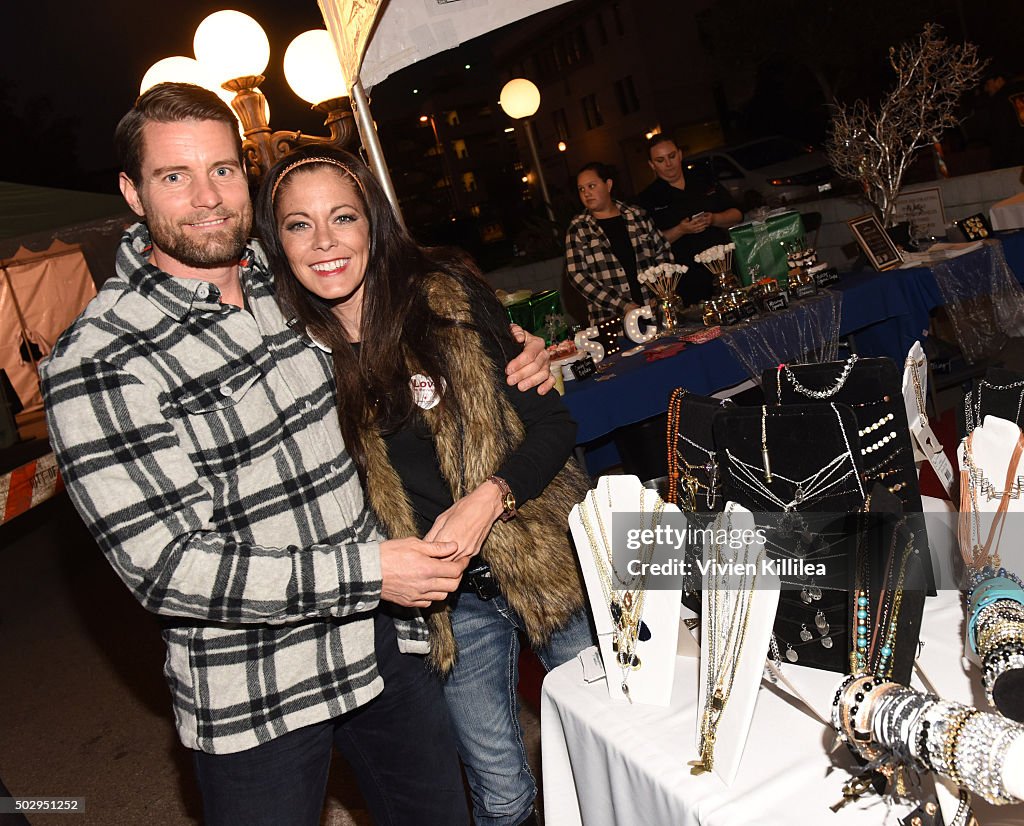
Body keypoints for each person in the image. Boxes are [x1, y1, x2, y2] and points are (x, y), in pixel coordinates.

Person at [38, 82, 554, 826]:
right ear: (131, 191)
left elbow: (400, 332)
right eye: (173, 176)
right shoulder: (101, 359)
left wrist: (517, 357)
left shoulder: (288, 289)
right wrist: (371, 570)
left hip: (383, 646)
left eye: (221, 169)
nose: (208, 197)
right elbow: (168, 568)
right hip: (256, 691)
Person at [254, 144, 595, 826]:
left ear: (372, 224)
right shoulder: (294, 359)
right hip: (442, 602)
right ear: (276, 243)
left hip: (544, 558)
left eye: (343, 217)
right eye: (298, 224)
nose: (324, 241)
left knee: (607, 745)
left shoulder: (444, 299)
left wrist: (489, 496)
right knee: (499, 792)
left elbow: (553, 423)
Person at [635, 135, 742, 304]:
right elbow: (648, 245)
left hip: (725, 269)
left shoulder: (703, 179)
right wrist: (681, 230)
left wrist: (714, 219)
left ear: (680, 154)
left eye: (672, 156)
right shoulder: (647, 199)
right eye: (661, 160)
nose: (669, 164)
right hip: (686, 281)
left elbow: (737, 214)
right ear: (652, 165)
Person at [565, 161, 674, 324]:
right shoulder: (579, 228)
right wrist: (623, 305)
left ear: (608, 185)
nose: (586, 193)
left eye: (591, 186)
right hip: (612, 321)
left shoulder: (637, 215)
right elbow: (578, 276)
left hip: (655, 315)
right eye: (581, 189)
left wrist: (660, 293)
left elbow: (663, 252)